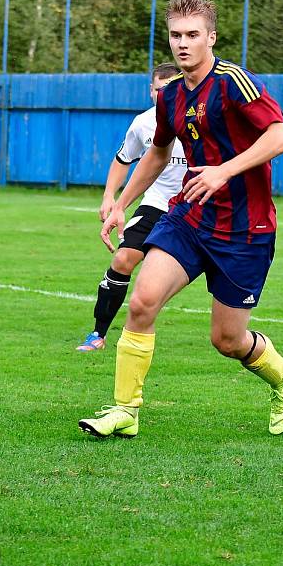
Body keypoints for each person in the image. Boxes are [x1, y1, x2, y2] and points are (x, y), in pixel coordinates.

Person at [78, 0, 283, 439]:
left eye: (192, 35)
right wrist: (120, 204)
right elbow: (157, 152)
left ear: (211, 38)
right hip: (189, 218)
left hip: (245, 230)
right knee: (142, 301)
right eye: (176, 35)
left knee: (228, 341)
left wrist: (224, 171)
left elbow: (281, 136)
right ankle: (125, 411)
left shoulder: (234, 81)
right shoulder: (172, 96)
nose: (182, 43)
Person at [76, 63, 187, 352]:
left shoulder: (198, 120)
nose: (163, 95)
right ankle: (98, 334)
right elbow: (123, 159)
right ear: (151, 91)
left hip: (195, 208)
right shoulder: (143, 123)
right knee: (122, 261)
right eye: (158, 90)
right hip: (157, 203)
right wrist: (110, 198)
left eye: (169, 89)